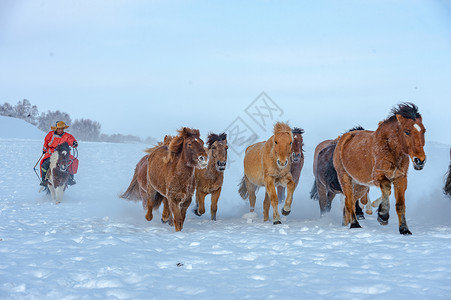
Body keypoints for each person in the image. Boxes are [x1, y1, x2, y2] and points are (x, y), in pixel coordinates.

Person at [40, 121, 78, 186]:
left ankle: (71, 178)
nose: (60, 130)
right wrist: (44, 150)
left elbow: (71, 140)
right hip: (51, 153)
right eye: (59, 128)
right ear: (56, 128)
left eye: (62, 128)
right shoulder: (50, 134)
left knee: (73, 162)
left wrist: (74, 143)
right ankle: (44, 180)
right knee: (44, 165)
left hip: (63, 154)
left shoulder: (67, 136)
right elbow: (46, 142)